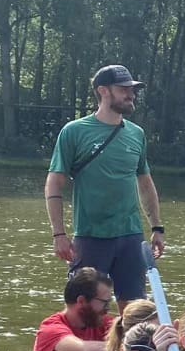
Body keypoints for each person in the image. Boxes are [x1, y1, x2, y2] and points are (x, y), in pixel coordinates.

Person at [44, 64, 165, 306]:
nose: (131, 95)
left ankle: (127, 345)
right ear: (103, 91)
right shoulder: (74, 132)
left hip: (130, 237)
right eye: (124, 89)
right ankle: (85, 346)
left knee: (134, 310)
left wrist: (157, 228)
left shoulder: (136, 134)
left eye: (133, 90)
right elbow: (54, 184)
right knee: (85, 308)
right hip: (90, 236)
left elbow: (145, 182)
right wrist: (59, 234)